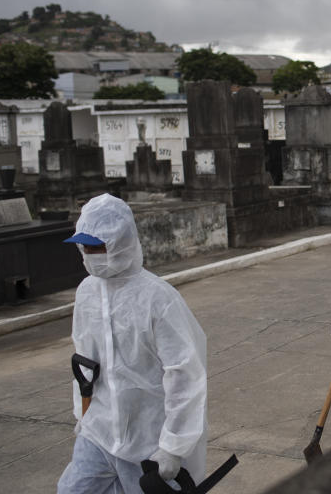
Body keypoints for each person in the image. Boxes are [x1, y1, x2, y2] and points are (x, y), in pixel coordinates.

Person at [58, 194, 207, 494]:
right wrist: (82, 414)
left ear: (121, 242)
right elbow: (84, 361)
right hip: (98, 432)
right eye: (84, 247)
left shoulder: (157, 299)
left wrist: (173, 446)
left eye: (97, 246)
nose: (89, 254)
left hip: (147, 441)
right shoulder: (87, 292)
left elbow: (185, 374)